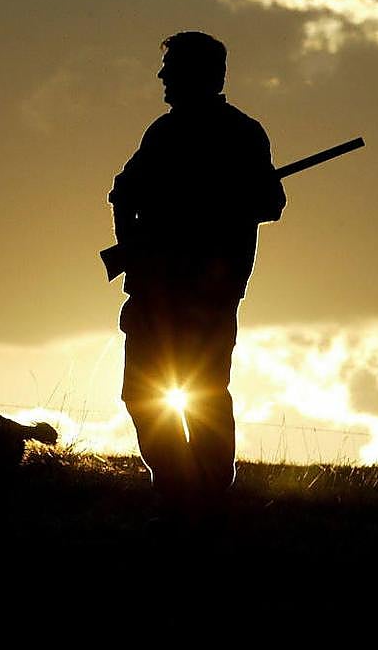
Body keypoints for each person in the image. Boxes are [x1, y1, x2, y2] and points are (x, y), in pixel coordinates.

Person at [109, 31, 285, 513]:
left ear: (201, 74)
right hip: (155, 290)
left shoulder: (243, 134)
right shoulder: (164, 133)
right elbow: (124, 193)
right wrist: (133, 251)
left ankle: (205, 492)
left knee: (204, 391)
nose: (163, 77)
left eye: (172, 68)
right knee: (142, 393)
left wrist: (225, 198)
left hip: (210, 292)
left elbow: (271, 204)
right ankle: (177, 484)